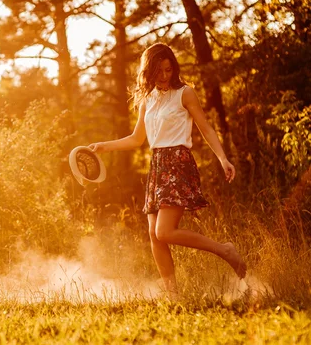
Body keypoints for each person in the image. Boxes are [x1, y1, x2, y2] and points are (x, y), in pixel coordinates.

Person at [88, 43, 246, 298]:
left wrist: (223, 158)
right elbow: (136, 139)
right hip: (158, 164)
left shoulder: (185, 93)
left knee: (164, 231)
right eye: (159, 71)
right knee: (154, 234)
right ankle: (174, 296)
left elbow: (205, 128)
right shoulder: (147, 100)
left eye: (168, 70)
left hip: (178, 163)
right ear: (148, 72)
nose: (164, 76)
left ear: (174, 68)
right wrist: (104, 147)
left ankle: (225, 250)